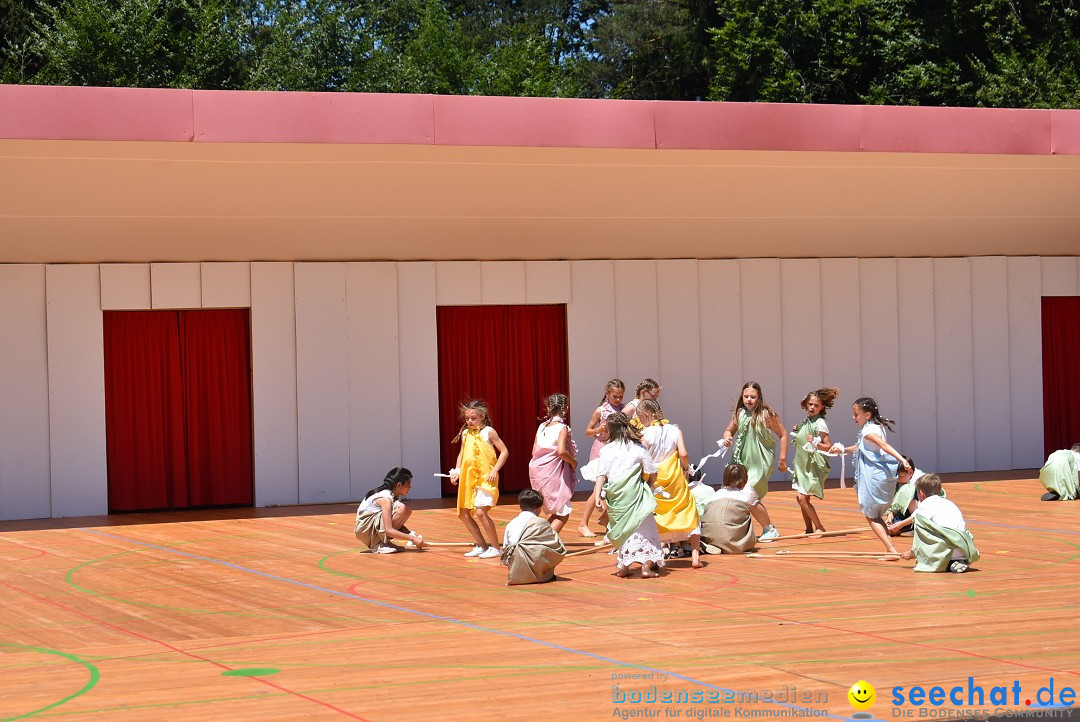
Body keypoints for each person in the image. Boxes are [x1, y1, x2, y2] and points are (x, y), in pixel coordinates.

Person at [585, 412, 664, 578]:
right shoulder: (637, 448)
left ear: (611, 430)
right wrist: (649, 485)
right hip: (636, 496)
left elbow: (601, 474)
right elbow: (652, 470)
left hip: (616, 497)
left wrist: (598, 495)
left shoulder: (606, 450)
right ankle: (645, 568)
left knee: (622, 530)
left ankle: (624, 567)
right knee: (645, 528)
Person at [842, 397, 911, 555]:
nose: (853, 418)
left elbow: (884, 446)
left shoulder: (868, 431)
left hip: (874, 477)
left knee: (871, 516)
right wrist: (841, 450)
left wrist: (902, 460)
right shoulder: (876, 427)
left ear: (867, 415)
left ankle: (891, 549)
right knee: (876, 515)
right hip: (881, 476)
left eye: (855, 414)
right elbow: (860, 447)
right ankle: (890, 548)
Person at [637, 399, 702, 568]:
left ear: (646, 415)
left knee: (655, 516)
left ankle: (653, 558)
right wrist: (687, 469)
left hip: (654, 480)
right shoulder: (675, 429)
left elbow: (641, 457)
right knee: (688, 510)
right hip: (675, 477)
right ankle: (695, 556)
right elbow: (684, 453)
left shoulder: (645, 434)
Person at [721, 381, 788, 540]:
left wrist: (782, 459)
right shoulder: (740, 413)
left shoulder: (766, 414)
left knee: (749, 495)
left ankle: (769, 529)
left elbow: (783, 434)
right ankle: (737, 531)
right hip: (741, 462)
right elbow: (728, 430)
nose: (749, 399)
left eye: (753, 396)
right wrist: (727, 437)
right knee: (733, 494)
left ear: (759, 398)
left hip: (760, 463)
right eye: (746, 396)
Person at [449, 399, 509, 559]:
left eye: (473, 418)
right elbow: (461, 454)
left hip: (485, 478)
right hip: (468, 479)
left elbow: (504, 451)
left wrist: (495, 470)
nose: (469, 421)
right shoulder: (465, 433)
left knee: (481, 512)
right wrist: (457, 471)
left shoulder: (489, 431)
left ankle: (496, 548)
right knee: (463, 514)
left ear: (482, 416)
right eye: (467, 418)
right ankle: (482, 545)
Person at [900, 474, 979, 573]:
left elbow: (921, 534)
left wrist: (912, 553)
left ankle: (944, 562)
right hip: (963, 549)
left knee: (919, 523)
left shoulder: (924, 506)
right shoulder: (950, 504)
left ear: (921, 493)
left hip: (945, 551)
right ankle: (957, 561)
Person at [789, 387, 840, 534]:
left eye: (816, 405)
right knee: (803, 499)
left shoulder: (820, 423)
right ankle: (809, 528)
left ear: (822, 407)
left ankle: (820, 528)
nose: (812, 407)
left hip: (812, 465)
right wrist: (797, 431)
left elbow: (828, 446)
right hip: (802, 465)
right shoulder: (806, 422)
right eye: (810, 404)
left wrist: (816, 443)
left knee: (802, 498)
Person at [579, 379, 625, 537]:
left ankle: (607, 518)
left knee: (614, 486)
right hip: (602, 450)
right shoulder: (601, 410)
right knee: (598, 488)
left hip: (617, 450)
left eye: (620, 396)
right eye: (615, 396)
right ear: (607, 393)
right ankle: (583, 523)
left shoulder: (624, 409)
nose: (618, 400)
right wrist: (599, 429)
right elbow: (587, 431)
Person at [528, 393, 578, 533]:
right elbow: (561, 451)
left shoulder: (542, 426)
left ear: (548, 407)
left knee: (556, 512)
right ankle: (543, 543)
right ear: (566, 408)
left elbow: (534, 451)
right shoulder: (562, 428)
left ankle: (538, 538)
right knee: (563, 514)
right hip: (552, 473)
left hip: (537, 471)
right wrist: (574, 462)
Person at [501, 489, 567, 585]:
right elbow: (555, 545)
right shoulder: (541, 523)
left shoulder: (511, 524)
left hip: (516, 566)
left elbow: (505, 548)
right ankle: (541, 574)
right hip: (535, 563)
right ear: (538, 508)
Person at [353, 467, 425, 553]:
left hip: (368, 530)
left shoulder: (391, 496)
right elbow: (389, 529)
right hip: (365, 531)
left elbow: (394, 523)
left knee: (407, 510)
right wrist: (412, 538)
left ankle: (384, 542)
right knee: (401, 508)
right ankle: (378, 544)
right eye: (408, 484)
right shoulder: (386, 498)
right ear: (398, 485)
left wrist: (412, 536)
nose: (410, 487)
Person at [699, 463, 756, 555]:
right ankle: (732, 543)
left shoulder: (715, 494)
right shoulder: (745, 497)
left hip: (709, 539)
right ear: (743, 480)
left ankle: (714, 543)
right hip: (733, 543)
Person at [885, 457, 932, 535]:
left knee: (907, 489)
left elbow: (921, 511)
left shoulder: (922, 483)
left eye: (900, 476)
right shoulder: (900, 481)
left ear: (910, 472)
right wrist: (890, 516)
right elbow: (895, 501)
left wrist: (901, 524)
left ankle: (916, 527)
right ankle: (903, 525)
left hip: (923, 516)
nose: (897, 479)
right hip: (910, 514)